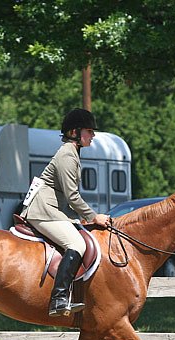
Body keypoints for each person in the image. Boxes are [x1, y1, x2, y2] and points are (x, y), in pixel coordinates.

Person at [20, 108, 109, 317]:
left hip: (52, 210)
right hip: (43, 211)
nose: (93, 135)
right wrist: (93, 216)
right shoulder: (67, 154)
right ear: (75, 132)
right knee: (76, 244)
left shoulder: (73, 153)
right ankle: (59, 298)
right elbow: (72, 195)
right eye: (89, 131)